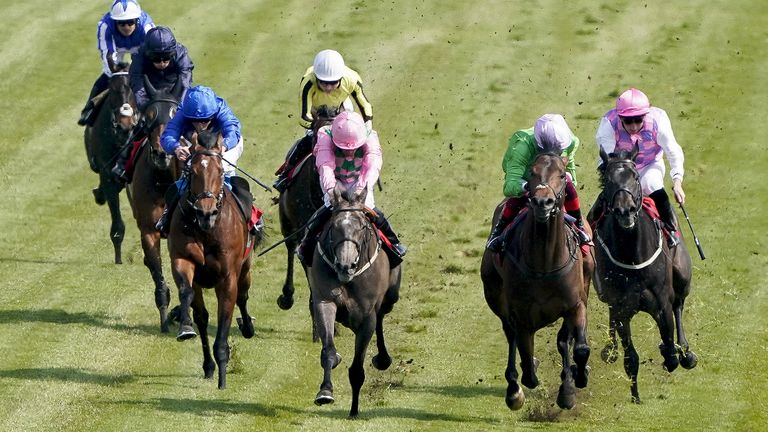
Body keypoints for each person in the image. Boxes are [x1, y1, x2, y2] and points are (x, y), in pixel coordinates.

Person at [297, 111, 406, 263]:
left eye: (354, 147)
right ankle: (306, 244)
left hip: (360, 179)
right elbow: (325, 166)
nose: (349, 152)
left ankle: (393, 242)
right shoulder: (325, 135)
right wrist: (332, 191)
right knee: (330, 206)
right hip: (335, 180)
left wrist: (360, 190)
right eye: (344, 148)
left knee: (369, 208)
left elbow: (372, 166)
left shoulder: (370, 136)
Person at [593, 87, 685, 247]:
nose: (634, 126)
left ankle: (671, 230)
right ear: (620, 117)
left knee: (651, 184)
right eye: (628, 121)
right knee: (609, 196)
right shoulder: (609, 124)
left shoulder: (658, 122)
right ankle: (588, 232)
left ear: (645, 116)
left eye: (638, 120)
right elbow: (607, 160)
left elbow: (673, 152)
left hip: (649, 164)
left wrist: (677, 182)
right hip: (620, 169)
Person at [486, 114, 591, 253]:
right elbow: (510, 185)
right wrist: (527, 186)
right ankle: (498, 232)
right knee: (519, 197)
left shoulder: (570, 142)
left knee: (568, 182)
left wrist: (558, 184)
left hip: (553, 176)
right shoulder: (522, 145)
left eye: (559, 150)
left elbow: (571, 172)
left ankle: (579, 226)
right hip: (528, 175)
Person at [273, 49, 374, 192]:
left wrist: (367, 127)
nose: (328, 87)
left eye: (333, 83)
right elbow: (304, 116)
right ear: (316, 78)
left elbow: (365, 106)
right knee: (306, 142)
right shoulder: (308, 82)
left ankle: (368, 179)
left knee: (357, 143)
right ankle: (285, 175)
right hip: (317, 116)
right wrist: (320, 128)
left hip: (342, 111)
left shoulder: (352, 79)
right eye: (324, 83)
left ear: (340, 78)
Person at [155, 85, 244, 237]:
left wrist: (223, 147)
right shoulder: (182, 113)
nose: (201, 125)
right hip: (196, 146)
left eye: (206, 120)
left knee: (224, 171)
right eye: (195, 121)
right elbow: (168, 135)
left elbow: (232, 130)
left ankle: (252, 220)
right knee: (189, 175)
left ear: (213, 113)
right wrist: (176, 148)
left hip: (225, 145)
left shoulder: (220, 108)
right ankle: (167, 216)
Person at [111, 26, 194, 181]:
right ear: (149, 55)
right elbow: (137, 86)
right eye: (156, 59)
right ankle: (123, 164)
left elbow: (185, 83)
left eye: (166, 59)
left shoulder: (181, 54)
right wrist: (147, 109)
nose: (162, 63)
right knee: (138, 126)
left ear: (172, 53)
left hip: (175, 93)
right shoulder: (139, 57)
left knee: (195, 126)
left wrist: (179, 108)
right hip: (150, 94)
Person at [77, 0, 155, 126]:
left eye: (130, 22)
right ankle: (89, 110)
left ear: (137, 20)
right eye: (121, 23)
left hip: (141, 47)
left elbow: (151, 55)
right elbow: (107, 54)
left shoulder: (147, 28)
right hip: (115, 49)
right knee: (109, 74)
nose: (126, 27)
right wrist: (116, 72)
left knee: (149, 75)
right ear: (114, 22)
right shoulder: (105, 26)